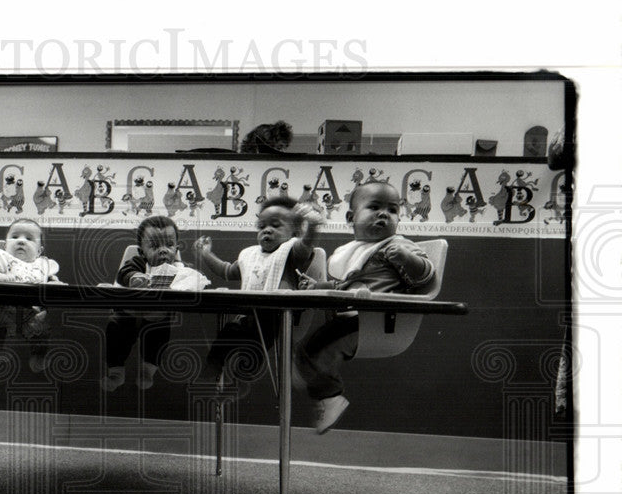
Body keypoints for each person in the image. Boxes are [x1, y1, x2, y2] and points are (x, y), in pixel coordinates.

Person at [294, 181, 435, 433]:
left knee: (311, 353)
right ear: (351, 217)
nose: (384, 213)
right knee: (307, 350)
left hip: (378, 321)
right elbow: (345, 285)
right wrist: (316, 286)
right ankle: (317, 382)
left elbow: (426, 276)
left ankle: (330, 395)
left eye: (392, 210)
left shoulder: (396, 245)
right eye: (374, 207)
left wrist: (406, 258)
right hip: (352, 317)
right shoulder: (354, 251)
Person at [191, 195, 323, 390]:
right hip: (248, 315)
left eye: (276, 226)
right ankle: (212, 367)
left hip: (279, 316)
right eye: (261, 227)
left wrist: (311, 226)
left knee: (255, 342)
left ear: (294, 231)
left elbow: (307, 243)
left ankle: (244, 372)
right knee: (228, 332)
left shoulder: (292, 252)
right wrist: (205, 254)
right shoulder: (250, 255)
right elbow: (226, 271)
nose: (267, 230)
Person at [102, 216, 209, 391]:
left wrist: (197, 283)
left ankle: (148, 370)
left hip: (157, 317)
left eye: (169, 245)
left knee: (159, 334)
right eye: (154, 246)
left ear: (176, 247)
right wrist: (134, 277)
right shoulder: (138, 264)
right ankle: (116, 371)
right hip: (128, 313)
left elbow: (193, 277)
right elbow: (124, 272)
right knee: (115, 329)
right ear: (142, 251)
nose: (163, 251)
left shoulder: (179, 268)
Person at [0, 218, 62, 372]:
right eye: (15, 237)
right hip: (4, 308)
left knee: (41, 330)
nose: (21, 241)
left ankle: (39, 356)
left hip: (31, 312)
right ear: (5, 245)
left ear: (39, 250)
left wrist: (54, 283)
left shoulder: (43, 265)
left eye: (29, 239)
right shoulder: (0, 260)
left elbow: (50, 279)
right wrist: (1, 277)